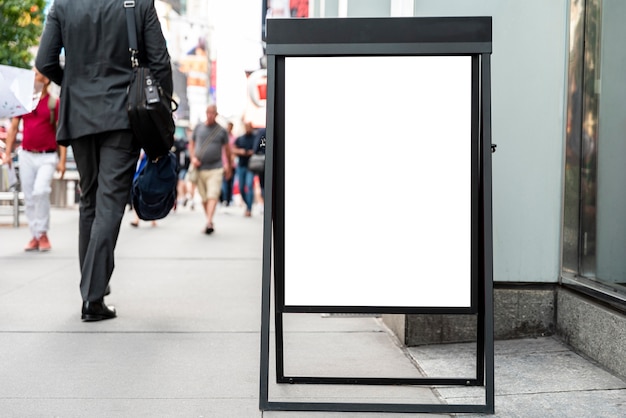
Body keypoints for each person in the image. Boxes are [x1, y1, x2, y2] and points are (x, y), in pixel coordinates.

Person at [35, 0, 172, 321]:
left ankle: (92, 286)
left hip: (78, 113)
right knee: (110, 202)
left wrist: (74, 81)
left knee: (90, 200)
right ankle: (93, 297)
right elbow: (161, 63)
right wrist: (161, 111)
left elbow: (45, 61)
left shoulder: (62, 5)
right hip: (122, 114)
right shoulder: (139, 4)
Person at [2, 69, 67, 252]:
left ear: (46, 79)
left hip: (48, 156)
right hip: (27, 155)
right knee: (29, 197)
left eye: (36, 75)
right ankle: (35, 235)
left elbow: (61, 133)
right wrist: (7, 153)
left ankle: (43, 232)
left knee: (41, 191)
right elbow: (14, 128)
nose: (33, 78)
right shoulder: (23, 101)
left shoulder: (54, 103)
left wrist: (62, 161)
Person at [188, 104, 233, 234]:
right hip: (200, 168)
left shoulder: (221, 131)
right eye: (209, 112)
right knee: (204, 198)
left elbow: (228, 150)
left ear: (216, 114)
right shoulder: (198, 128)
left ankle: (208, 222)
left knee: (212, 194)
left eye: (213, 113)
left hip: (216, 168)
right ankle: (209, 220)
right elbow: (191, 145)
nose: (210, 115)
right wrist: (193, 158)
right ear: (206, 113)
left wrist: (229, 166)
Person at [232, 121, 257, 217]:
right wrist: (241, 152)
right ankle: (247, 204)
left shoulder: (255, 138)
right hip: (241, 165)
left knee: (249, 186)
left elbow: (260, 147)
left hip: (251, 166)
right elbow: (233, 149)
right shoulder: (240, 138)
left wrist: (251, 152)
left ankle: (249, 208)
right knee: (242, 187)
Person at [220, 121, 237, 206]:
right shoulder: (222, 138)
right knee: (224, 182)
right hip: (223, 163)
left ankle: (229, 199)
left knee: (230, 182)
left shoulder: (234, 138)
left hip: (232, 163)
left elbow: (234, 151)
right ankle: (224, 199)